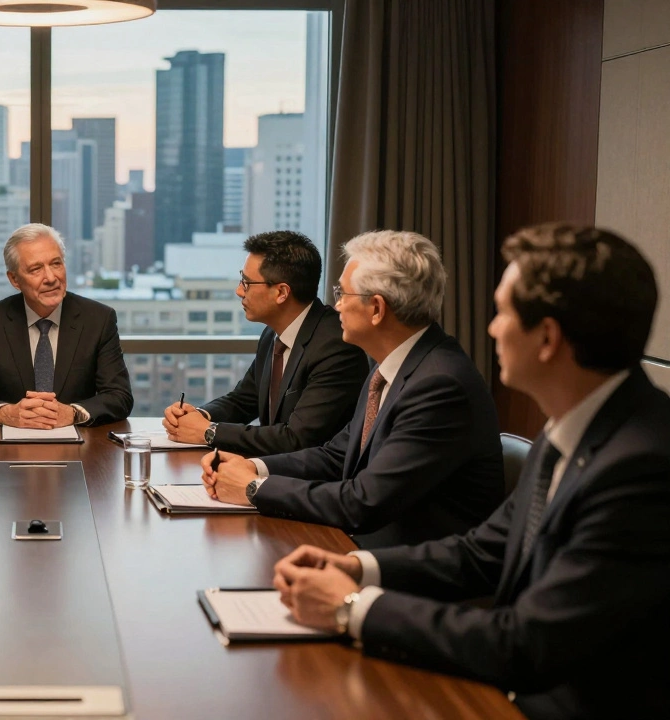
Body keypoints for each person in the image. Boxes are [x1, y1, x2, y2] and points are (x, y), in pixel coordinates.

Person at [272, 224, 670, 720]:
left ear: (547, 337)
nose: (491, 328)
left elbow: (526, 645)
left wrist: (353, 605)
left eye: (503, 312)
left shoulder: (642, 467)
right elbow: (483, 552)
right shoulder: (572, 425)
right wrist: (357, 569)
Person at [201, 230, 503, 548]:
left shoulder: (439, 385)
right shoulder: (393, 368)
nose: (336, 306)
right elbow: (336, 456)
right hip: (364, 543)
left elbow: (363, 502)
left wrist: (254, 488)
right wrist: (254, 466)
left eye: (343, 294)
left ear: (376, 308)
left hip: (405, 568)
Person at [163, 230, 367, 454]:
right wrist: (199, 416)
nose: (239, 291)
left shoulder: (336, 346)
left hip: (314, 480)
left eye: (247, 283)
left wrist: (208, 431)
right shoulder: (273, 334)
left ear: (281, 292)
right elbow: (244, 399)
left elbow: (296, 438)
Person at [0, 223, 133, 428]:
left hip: (80, 448)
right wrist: (6, 413)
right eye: (36, 269)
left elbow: (120, 397)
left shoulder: (99, 319)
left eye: (56, 264)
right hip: (9, 449)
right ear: (14, 279)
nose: (51, 278)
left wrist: (73, 413)